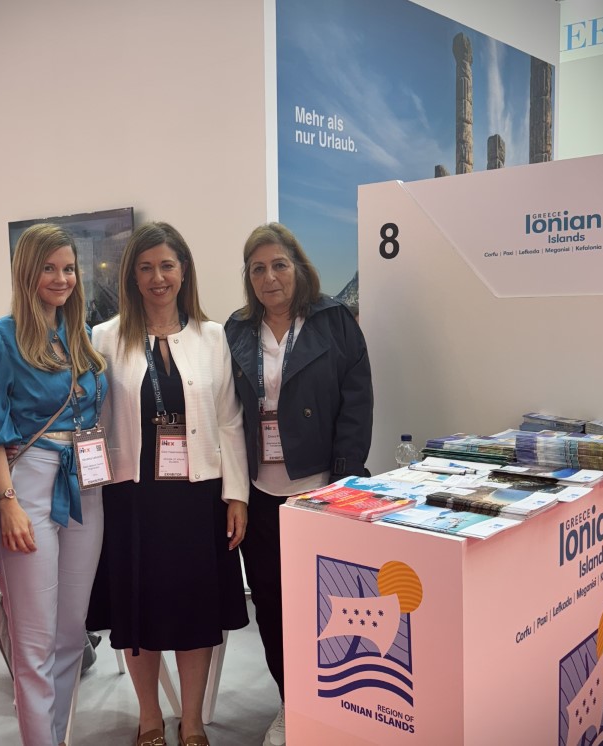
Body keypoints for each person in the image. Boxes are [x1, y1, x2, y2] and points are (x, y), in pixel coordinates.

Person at [89, 221, 249, 746]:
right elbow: (95, 420)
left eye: (166, 265)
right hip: (132, 497)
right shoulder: (105, 337)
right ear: (132, 276)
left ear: (183, 271)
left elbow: (229, 420)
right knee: (139, 611)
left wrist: (236, 495)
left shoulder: (211, 336)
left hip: (197, 496)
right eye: (145, 267)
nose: (157, 277)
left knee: (195, 611)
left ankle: (193, 720)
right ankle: (150, 717)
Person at [224, 223, 373, 746]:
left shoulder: (333, 321)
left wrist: (343, 485)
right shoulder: (237, 329)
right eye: (258, 269)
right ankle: (293, 703)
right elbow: (228, 412)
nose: (270, 277)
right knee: (271, 603)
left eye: (279, 265)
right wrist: (235, 490)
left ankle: (337, 705)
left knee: (328, 605)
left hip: (319, 491)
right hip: (261, 494)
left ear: (298, 267)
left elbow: (356, 405)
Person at [0, 223, 108, 746]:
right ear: (27, 272)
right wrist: (7, 502)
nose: (61, 278)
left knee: (72, 634)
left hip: (84, 483)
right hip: (26, 482)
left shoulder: (82, 335)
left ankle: (55, 737)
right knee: (33, 643)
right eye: (49, 268)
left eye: (69, 268)